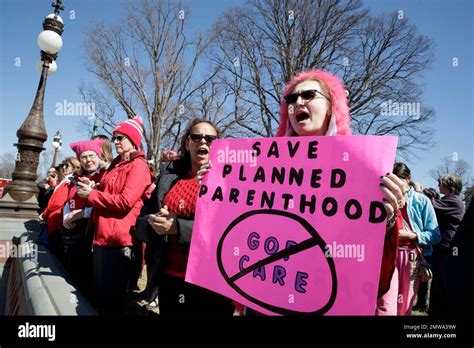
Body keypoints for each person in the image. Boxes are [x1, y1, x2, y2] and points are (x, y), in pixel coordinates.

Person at [198, 69, 407, 315]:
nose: (298, 102)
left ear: (331, 107)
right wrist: (215, 188)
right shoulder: (258, 168)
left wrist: (387, 220)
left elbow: (376, 279)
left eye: (308, 95)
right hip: (265, 299)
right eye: (291, 99)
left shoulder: (363, 173)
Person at [136, 118, 234, 316]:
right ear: (187, 143)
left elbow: (227, 229)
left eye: (210, 139)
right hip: (170, 278)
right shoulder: (168, 177)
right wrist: (153, 224)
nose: (203, 142)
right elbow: (140, 221)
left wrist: (178, 227)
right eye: (196, 137)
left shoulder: (229, 180)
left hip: (211, 283)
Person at [76, 116, 152, 316]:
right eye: (114, 137)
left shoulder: (139, 166)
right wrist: (95, 185)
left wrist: (92, 195)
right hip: (102, 236)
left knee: (113, 300)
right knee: (101, 295)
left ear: (134, 140)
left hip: (120, 240)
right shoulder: (117, 163)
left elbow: (126, 201)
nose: (116, 141)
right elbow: (107, 186)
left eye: (121, 137)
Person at [376, 163, 440, 316]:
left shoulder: (422, 201)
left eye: (399, 181)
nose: (395, 186)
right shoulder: (383, 197)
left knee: (404, 307)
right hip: (387, 255)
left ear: (408, 179)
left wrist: (413, 235)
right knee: (385, 306)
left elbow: (435, 235)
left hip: (411, 258)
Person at [61, 139, 107, 301]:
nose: (88, 160)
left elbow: (105, 203)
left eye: (91, 156)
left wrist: (81, 213)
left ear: (99, 156)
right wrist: (66, 216)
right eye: (84, 157)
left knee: (88, 277)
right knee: (72, 273)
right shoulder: (75, 178)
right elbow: (68, 201)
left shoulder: (105, 176)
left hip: (93, 231)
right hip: (73, 233)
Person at [429, 174, 465, 315]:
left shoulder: (455, 201)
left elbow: (432, 205)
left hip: (448, 250)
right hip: (441, 249)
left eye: (440, 182)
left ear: (449, 186)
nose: (438, 185)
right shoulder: (447, 200)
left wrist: (419, 191)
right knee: (438, 283)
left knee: (441, 284)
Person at [39, 157, 81, 261]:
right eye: (62, 165)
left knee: (56, 254)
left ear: (74, 167)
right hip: (53, 220)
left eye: (66, 165)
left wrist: (45, 213)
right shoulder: (65, 180)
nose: (63, 168)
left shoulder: (70, 181)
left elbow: (58, 202)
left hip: (57, 220)